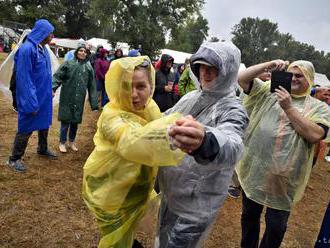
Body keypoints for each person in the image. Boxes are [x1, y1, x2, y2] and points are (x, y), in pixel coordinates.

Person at [82, 56, 186, 248]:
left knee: (126, 236)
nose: (134, 94)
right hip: (111, 196)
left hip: (134, 190)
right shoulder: (111, 116)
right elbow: (132, 140)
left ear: (151, 86)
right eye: (127, 86)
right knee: (115, 241)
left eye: (140, 86)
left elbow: (157, 124)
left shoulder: (150, 107)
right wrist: (175, 134)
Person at [156, 41, 249, 247]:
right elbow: (164, 119)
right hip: (172, 193)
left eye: (214, 68)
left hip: (197, 205)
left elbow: (233, 144)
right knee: (161, 241)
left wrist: (206, 141)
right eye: (202, 67)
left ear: (228, 71)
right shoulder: (192, 97)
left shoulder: (233, 109)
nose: (206, 73)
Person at [236, 59, 330, 248]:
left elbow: (314, 134)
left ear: (309, 79)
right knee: (249, 216)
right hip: (256, 169)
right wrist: (268, 65)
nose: (294, 79)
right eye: (290, 74)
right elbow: (241, 79)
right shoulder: (269, 92)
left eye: (299, 75)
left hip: (285, 178)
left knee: (276, 225)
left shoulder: (319, 107)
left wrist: (288, 107)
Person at [6, 19, 57, 172]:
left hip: (44, 95)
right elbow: (24, 79)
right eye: (50, 33)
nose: (52, 36)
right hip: (32, 97)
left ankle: (42, 148)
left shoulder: (43, 49)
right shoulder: (27, 49)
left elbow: (45, 73)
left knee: (44, 123)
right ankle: (14, 159)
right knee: (26, 127)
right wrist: (30, 102)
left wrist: (50, 90)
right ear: (42, 33)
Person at [52, 45, 98, 153]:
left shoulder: (88, 68)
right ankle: (62, 142)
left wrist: (94, 103)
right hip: (67, 96)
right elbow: (57, 77)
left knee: (75, 121)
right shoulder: (68, 64)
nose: (83, 53)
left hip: (79, 98)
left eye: (85, 51)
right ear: (77, 52)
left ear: (87, 54)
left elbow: (92, 86)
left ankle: (71, 141)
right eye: (81, 51)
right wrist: (52, 88)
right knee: (65, 120)